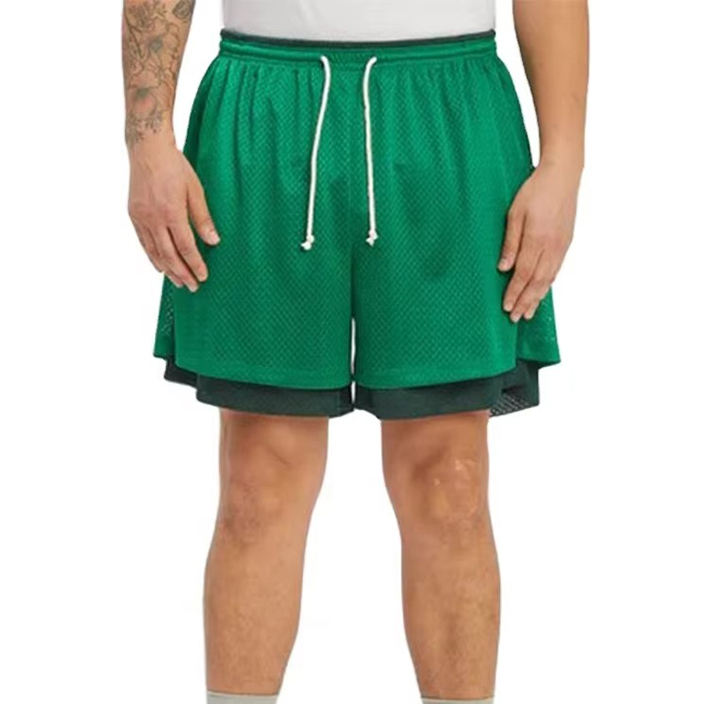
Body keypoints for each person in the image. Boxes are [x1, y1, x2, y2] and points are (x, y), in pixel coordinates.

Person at [122, 0, 588, 701]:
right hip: (266, 102)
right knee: (259, 477)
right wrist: (147, 141)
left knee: (451, 479)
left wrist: (564, 164)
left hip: (448, 106)